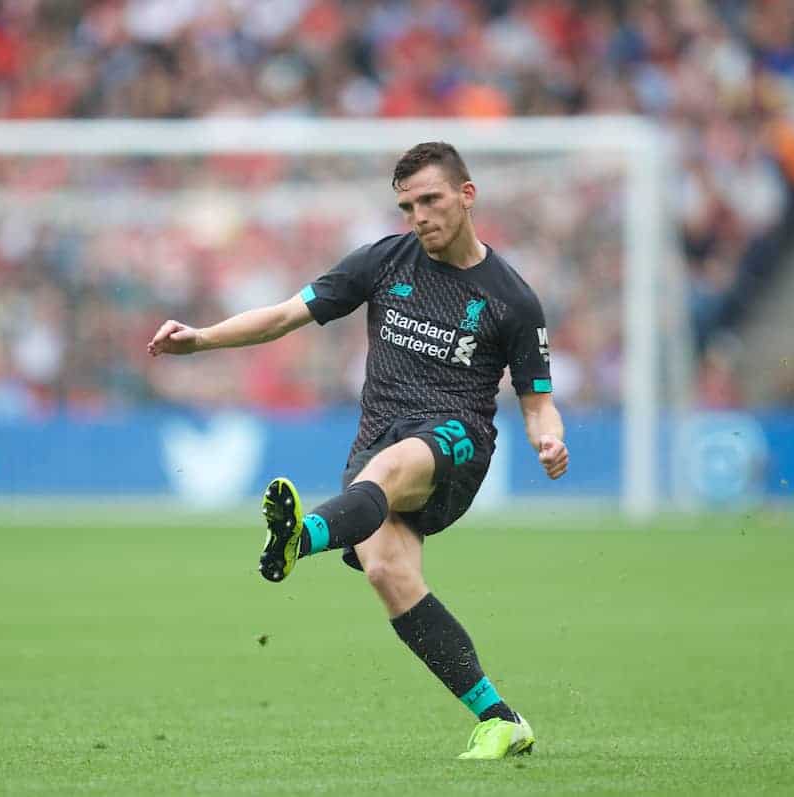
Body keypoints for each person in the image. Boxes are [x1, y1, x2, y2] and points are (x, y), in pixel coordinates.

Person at [147, 142, 568, 760]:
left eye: (431, 199)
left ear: (466, 195)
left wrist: (547, 438)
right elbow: (285, 315)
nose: (419, 215)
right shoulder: (384, 262)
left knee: (391, 467)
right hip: (377, 440)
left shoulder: (513, 299)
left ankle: (300, 538)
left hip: (454, 440)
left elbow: (538, 400)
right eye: (407, 205)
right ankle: (500, 719)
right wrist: (201, 340)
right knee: (387, 572)